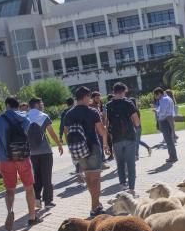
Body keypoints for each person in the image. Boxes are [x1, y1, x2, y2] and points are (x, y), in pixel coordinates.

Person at [0, 96, 39, 230]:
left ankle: (10, 211)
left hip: (6, 159)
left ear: (7, 105)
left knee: (10, 190)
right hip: (23, 157)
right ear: (18, 105)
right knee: (29, 187)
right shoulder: (25, 118)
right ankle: (32, 217)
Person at [62, 86, 109, 216]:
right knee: (96, 179)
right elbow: (101, 130)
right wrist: (105, 144)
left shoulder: (69, 114)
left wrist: (73, 147)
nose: (90, 99)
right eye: (89, 96)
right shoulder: (92, 111)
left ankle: (96, 204)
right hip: (93, 147)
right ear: (85, 97)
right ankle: (95, 207)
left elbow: (66, 132)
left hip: (79, 150)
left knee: (89, 178)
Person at [26, 98, 64, 208]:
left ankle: (37, 199)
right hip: (45, 151)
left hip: (31, 152)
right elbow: (51, 132)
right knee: (46, 176)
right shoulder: (43, 116)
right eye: (41, 103)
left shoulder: (25, 117)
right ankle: (48, 201)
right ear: (37, 105)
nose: (42, 105)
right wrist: (59, 144)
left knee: (36, 176)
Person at [105, 82, 142, 194]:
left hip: (116, 138)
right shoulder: (128, 103)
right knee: (130, 164)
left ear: (114, 92)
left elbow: (106, 123)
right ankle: (131, 188)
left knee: (120, 163)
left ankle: (122, 184)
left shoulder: (109, 105)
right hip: (129, 136)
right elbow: (136, 120)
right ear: (123, 91)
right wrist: (136, 127)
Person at [154, 87, 178, 162]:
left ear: (159, 94)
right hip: (168, 119)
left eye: (156, 95)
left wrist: (156, 111)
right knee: (169, 140)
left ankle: (173, 156)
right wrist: (158, 110)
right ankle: (172, 156)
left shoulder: (163, 100)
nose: (155, 97)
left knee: (168, 140)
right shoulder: (167, 98)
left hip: (165, 120)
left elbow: (163, 112)